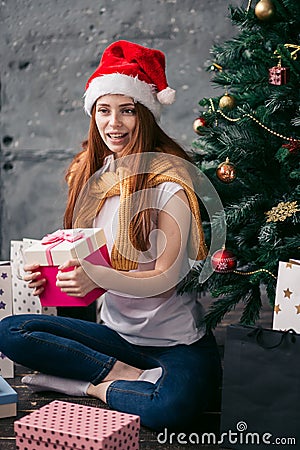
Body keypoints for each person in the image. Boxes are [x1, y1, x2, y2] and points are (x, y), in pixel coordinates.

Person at [0, 40, 222, 431]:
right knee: (10, 332)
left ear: (146, 115)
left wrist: (97, 277)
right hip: (114, 338)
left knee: (172, 409)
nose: (113, 124)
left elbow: (167, 277)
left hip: (175, 346)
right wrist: (51, 276)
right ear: (93, 113)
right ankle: (120, 373)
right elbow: (83, 257)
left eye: (127, 111)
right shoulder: (91, 175)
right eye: (104, 110)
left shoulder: (170, 185)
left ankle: (91, 386)